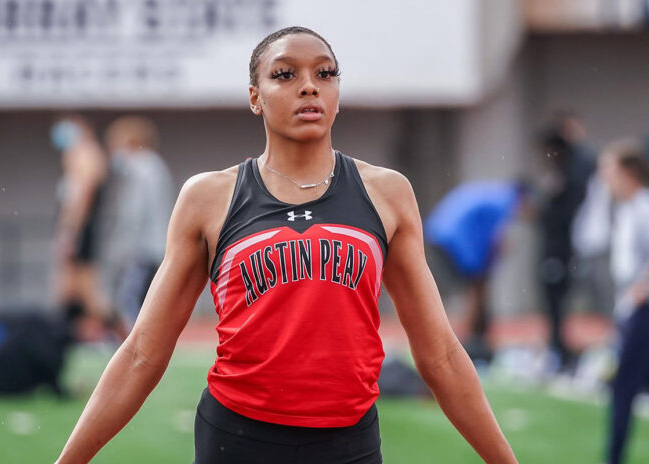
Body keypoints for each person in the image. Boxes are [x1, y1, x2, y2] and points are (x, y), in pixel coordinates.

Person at [55, 27, 517, 464]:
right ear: (254, 96)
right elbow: (142, 353)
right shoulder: (210, 197)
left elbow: (439, 352)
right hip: (237, 438)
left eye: (325, 73)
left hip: (350, 442)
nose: (309, 86)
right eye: (284, 74)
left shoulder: (386, 192)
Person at [425, 180, 530, 361]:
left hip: (440, 234)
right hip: (451, 240)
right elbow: (493, 240)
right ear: (525, 199)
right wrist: (481, 269)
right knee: (473, 289)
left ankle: (468, 337)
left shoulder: (495, 195)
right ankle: (465, 342)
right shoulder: (504, 203)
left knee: (473, 286)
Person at [599, 139, 649, 464]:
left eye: (609, 170)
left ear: (627, 172)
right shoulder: (630, 208)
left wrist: (638, 293)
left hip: (643, 311)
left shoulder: (644, 207)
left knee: (622, 389)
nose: (605, 179)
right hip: (634, 309)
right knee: (624, 387)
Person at [103, 116, 175, 328]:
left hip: (142, 248)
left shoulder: (140, 167)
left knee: (130, 301)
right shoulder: (155, 165)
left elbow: (133, 213)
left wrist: (121, 249)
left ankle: (134, 345)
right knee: (148, 301)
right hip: (157, 244)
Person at [537, 119, 595, 366]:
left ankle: (560, 351)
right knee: (555, 300)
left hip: (562, 248)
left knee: (557, 299)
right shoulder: (565, 172)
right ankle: (558, 348)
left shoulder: (574, 172)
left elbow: (563, 213)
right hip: (560, 246)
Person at [50, 115, 111, 324]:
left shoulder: (84, 154)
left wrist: (70, 231)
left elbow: (83, 194)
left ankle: (116, 330)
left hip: (80, 227)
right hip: (80, 226)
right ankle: (75, 329)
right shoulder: (81, 154)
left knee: (84, 286)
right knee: (71, 285)